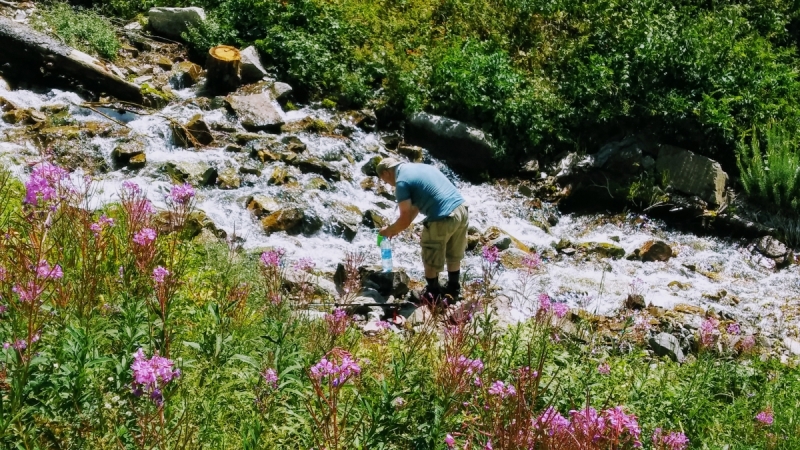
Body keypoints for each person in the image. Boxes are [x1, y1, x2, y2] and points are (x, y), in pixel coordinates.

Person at [376, 157, 469, 302]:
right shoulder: (421, 168)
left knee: (430, 254)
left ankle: (433, 294)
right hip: (461, 210)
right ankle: (453, 289)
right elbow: (415, 209)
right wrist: (394, 230)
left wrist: (387, 231)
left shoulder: (402, 182)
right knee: (453, 254)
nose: (387, 184)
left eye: (384, 179)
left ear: (386, 172)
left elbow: (405, 219)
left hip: (442, 217)